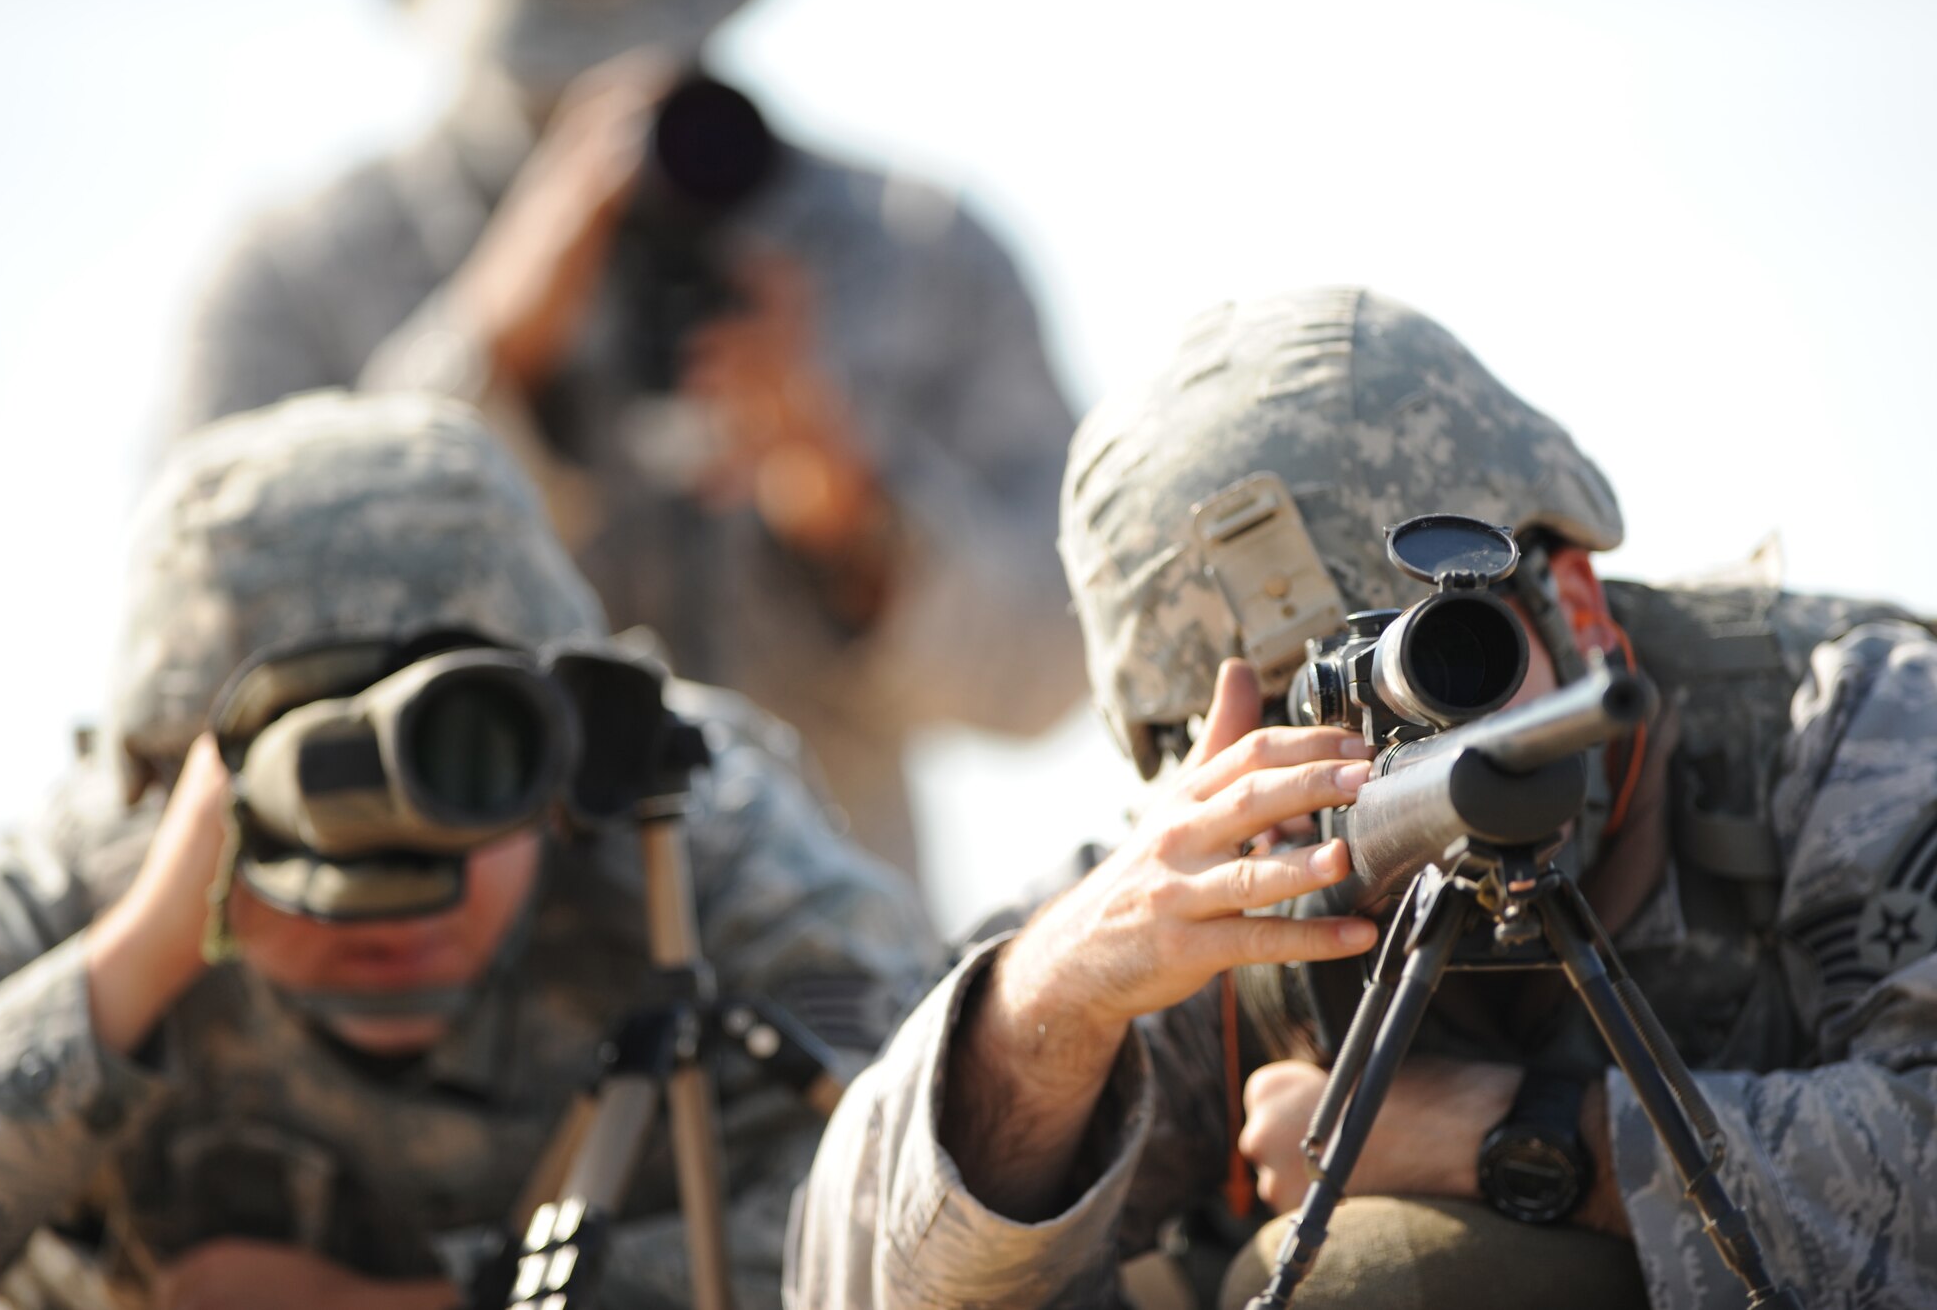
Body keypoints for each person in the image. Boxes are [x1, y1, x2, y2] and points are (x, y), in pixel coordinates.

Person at [787, 287, 1937, 1309]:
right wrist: (1056, 998)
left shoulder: (1847, 723)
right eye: (1292, 730)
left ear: (1575, 602)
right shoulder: (1212, 895)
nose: (1376, 764)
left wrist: (1507, 1136)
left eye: (1441, 667)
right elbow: (852, 1280)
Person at [0, 391, 940, 1310]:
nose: (402, 895)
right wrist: (135, 960)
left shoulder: (687, 840)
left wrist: (451, 1303)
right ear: (168, 784)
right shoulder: (77, 887)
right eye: (327, 798)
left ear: (568, 753)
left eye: (465, 764)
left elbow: (934, 1207)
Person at [164, 0, 1085, 874]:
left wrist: (851, 510)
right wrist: (488, 366)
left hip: (831, 996)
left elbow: (1055, 664)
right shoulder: (294, 281)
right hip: (437, 999)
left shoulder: (915, 249)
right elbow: (202, 673)